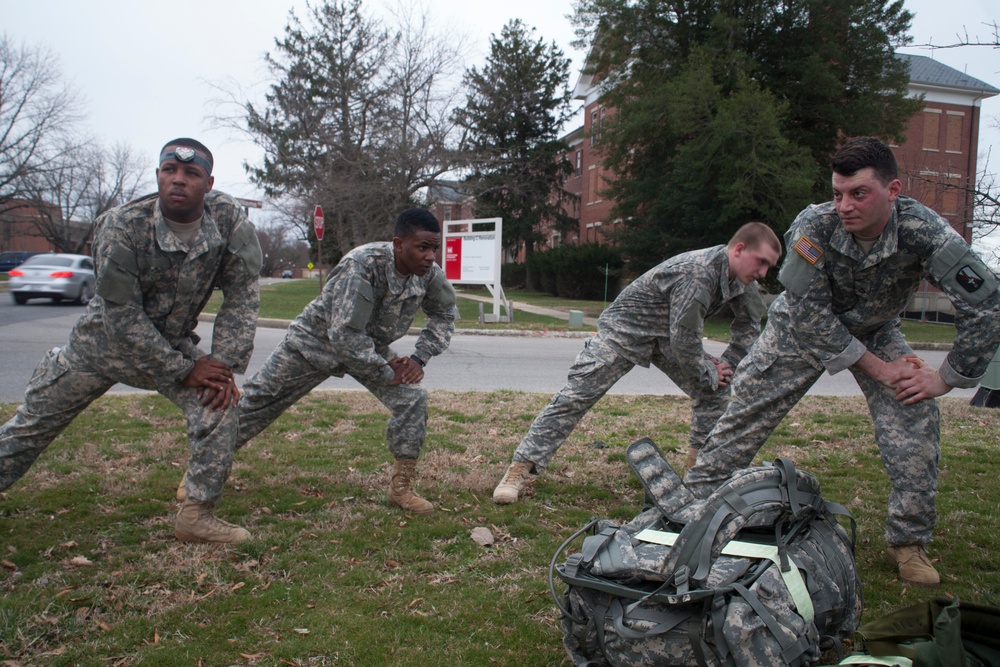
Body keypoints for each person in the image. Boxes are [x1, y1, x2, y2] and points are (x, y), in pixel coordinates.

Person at [685, 137, 1000, 588]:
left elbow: (987, 304)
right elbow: (810, 315)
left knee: (915, 422)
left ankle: (907, 543)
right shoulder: (814, 226)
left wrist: (945, 378)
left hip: (876, 328)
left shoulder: (924, 231)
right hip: (798, 333)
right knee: (741, 421)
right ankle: (692, 511)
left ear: (892, 191)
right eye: (838, 193)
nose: (845, 205)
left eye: (859, 194)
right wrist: (880, 368)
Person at [0, 138, 262, 544]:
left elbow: (242, 294)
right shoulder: (122, 225)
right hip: (100, 348)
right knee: (31, 427)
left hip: (171, 342)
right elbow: (121, 316)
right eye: (169, 170)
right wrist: (184, 369)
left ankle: (196, 515)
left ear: (208, 184)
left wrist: (221, 367)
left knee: (219, 405)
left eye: (191, 174)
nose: (178, 179)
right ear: (158, 174)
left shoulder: (229, 220)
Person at [492, 222, 782, 504]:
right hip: (625, 331)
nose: (763, 272)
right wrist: (707, 369)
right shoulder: (699, 273)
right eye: (761, 262)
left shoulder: (742, 280)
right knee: (574, 397)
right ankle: (520, 468)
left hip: (668, 340)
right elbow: (685, 339)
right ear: (739, 250)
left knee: (716, 388)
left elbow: (749, 325)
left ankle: (700, 480)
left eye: (769, 266)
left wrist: (725, 366)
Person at [197, 208, 456, 516]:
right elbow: (344, 336)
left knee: (413, 399)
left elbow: (445, 313)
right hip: (314, 344)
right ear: (399, 244)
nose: (430, 256)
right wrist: (385, 371)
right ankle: (200, 474)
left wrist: (418, 358)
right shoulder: (362, 266)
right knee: (256, 403)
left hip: (368, 348)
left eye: (434, 248)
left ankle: (401, 489)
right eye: (422, 247)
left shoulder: (428, 274)